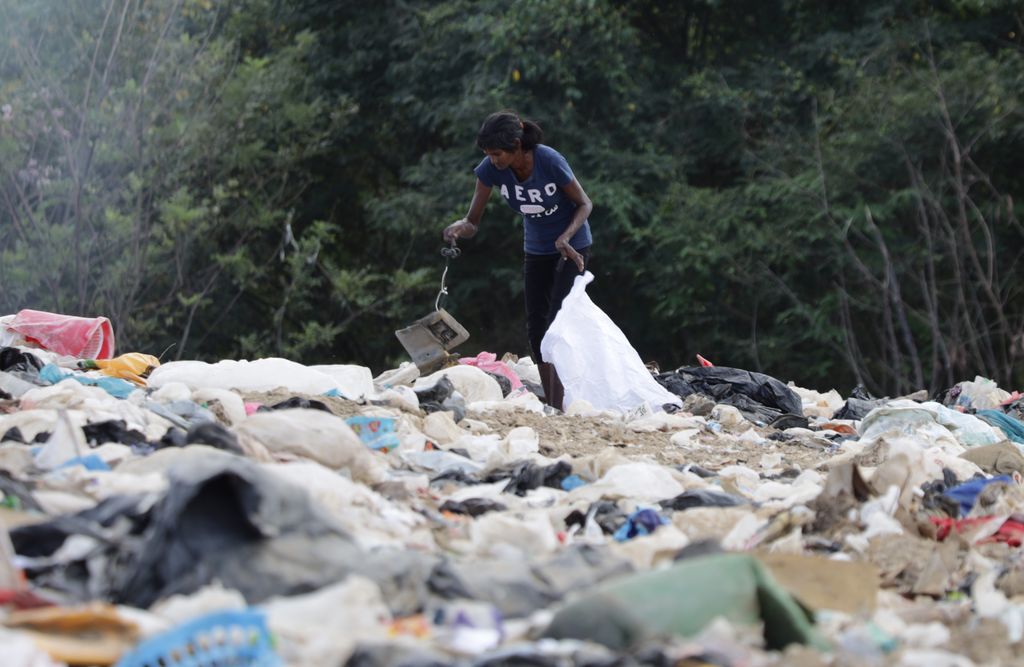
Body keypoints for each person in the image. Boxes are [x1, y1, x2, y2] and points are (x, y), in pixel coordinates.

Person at [443, 110, 593, 408]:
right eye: (488, 154)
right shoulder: (490, 170)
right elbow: (473, 222)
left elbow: (584, 203)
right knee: (536, 327)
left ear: (516, 144)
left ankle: (571, 395)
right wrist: (460, 227)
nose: (493, 159)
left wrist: (564, 237)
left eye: (497, 153)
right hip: (537, 248)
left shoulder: (549, 160)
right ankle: (554, 403)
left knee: (557, 322)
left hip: (572, 245)